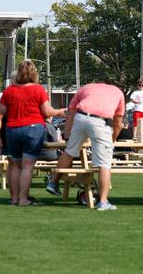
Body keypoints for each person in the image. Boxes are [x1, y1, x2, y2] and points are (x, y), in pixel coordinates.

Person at [0, 60, 65, 206]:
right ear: (34, 73)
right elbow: (47, 112)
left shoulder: (9, 90)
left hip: (12, 130)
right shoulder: (38, 90)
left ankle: (14, 198)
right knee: (27, 166)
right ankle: (24, 199)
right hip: (33, 129)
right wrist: (63, 112)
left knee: (15, 165)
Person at [46, 80, 125, 211]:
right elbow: (118, 121)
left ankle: (53, 182)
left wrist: (67, 134)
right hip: (99, 121)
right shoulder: (118, 92)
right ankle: (103, 202)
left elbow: (71, 110)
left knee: (69, 152)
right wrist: (113, 139)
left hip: (80, 117)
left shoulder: (86, 88)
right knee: (104, 163)